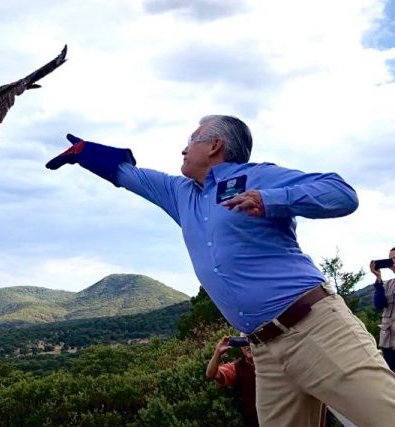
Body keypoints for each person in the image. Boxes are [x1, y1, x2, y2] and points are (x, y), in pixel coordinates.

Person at [46, 115, 395, 425]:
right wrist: (84, 152)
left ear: (214, 145)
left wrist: (271, 200)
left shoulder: (256, 175)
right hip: (264, 352)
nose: (183, 150)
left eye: (190, 141)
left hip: (315, 329)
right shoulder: (180, 194)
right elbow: (128, 174)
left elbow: (341, 193)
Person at [206, 335, 259, 427]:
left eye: (249, 341)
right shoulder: (236, 368)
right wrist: (218, 352)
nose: (247, 346)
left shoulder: (270, 360)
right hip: (253, 421)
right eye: (243, 342)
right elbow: (211, 374)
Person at [371, 247, 395, 371]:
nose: (392, 263)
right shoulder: (389, 284)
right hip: (388, 341)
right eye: (390, 260)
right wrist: (379, 279)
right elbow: (379, 304)